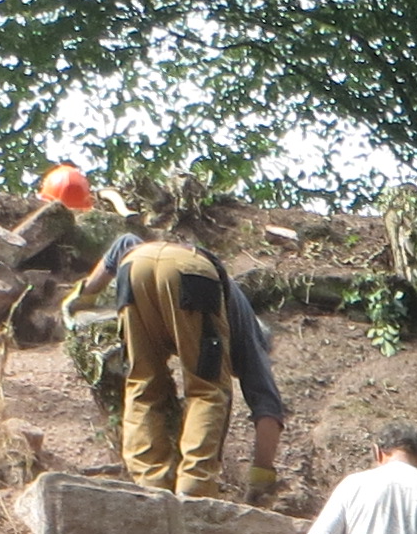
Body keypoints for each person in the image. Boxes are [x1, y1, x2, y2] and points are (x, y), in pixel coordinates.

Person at [70, 213, 287, 503]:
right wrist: (262, 477)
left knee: (143, 382)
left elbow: (123, 243)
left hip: (136, 264)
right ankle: (194, 489)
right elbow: (268, 409)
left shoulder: (237, 315)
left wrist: (83, 297)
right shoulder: (251, 341)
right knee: (207, 389)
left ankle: (149, 485)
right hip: (192, 273)